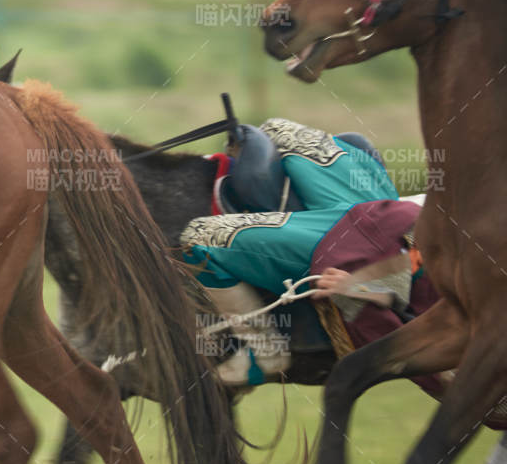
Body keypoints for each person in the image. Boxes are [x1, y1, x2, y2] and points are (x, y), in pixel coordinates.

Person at [178, 118, 424, 385]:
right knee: (276, 128)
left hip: (354, 248)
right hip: (386, 214)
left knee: (198, 236)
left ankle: (266, 351)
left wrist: (363, 287)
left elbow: (429, 309)